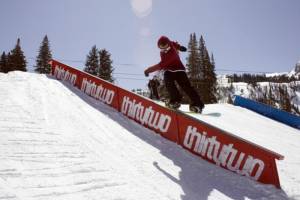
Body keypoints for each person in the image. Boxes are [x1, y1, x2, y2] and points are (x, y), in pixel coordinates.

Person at [144, 35, 204, 113]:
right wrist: (179, 47)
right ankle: (176, 100)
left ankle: (196, 104)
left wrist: (148, 70)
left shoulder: (172, 53)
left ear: (168, 44)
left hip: (177, 70)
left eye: (165, 46)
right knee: (169, 84)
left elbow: (161, 65)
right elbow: (173, 43)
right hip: (172, 70)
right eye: (161, 47)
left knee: (186, 86)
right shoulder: (169, 45)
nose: (164, 48)